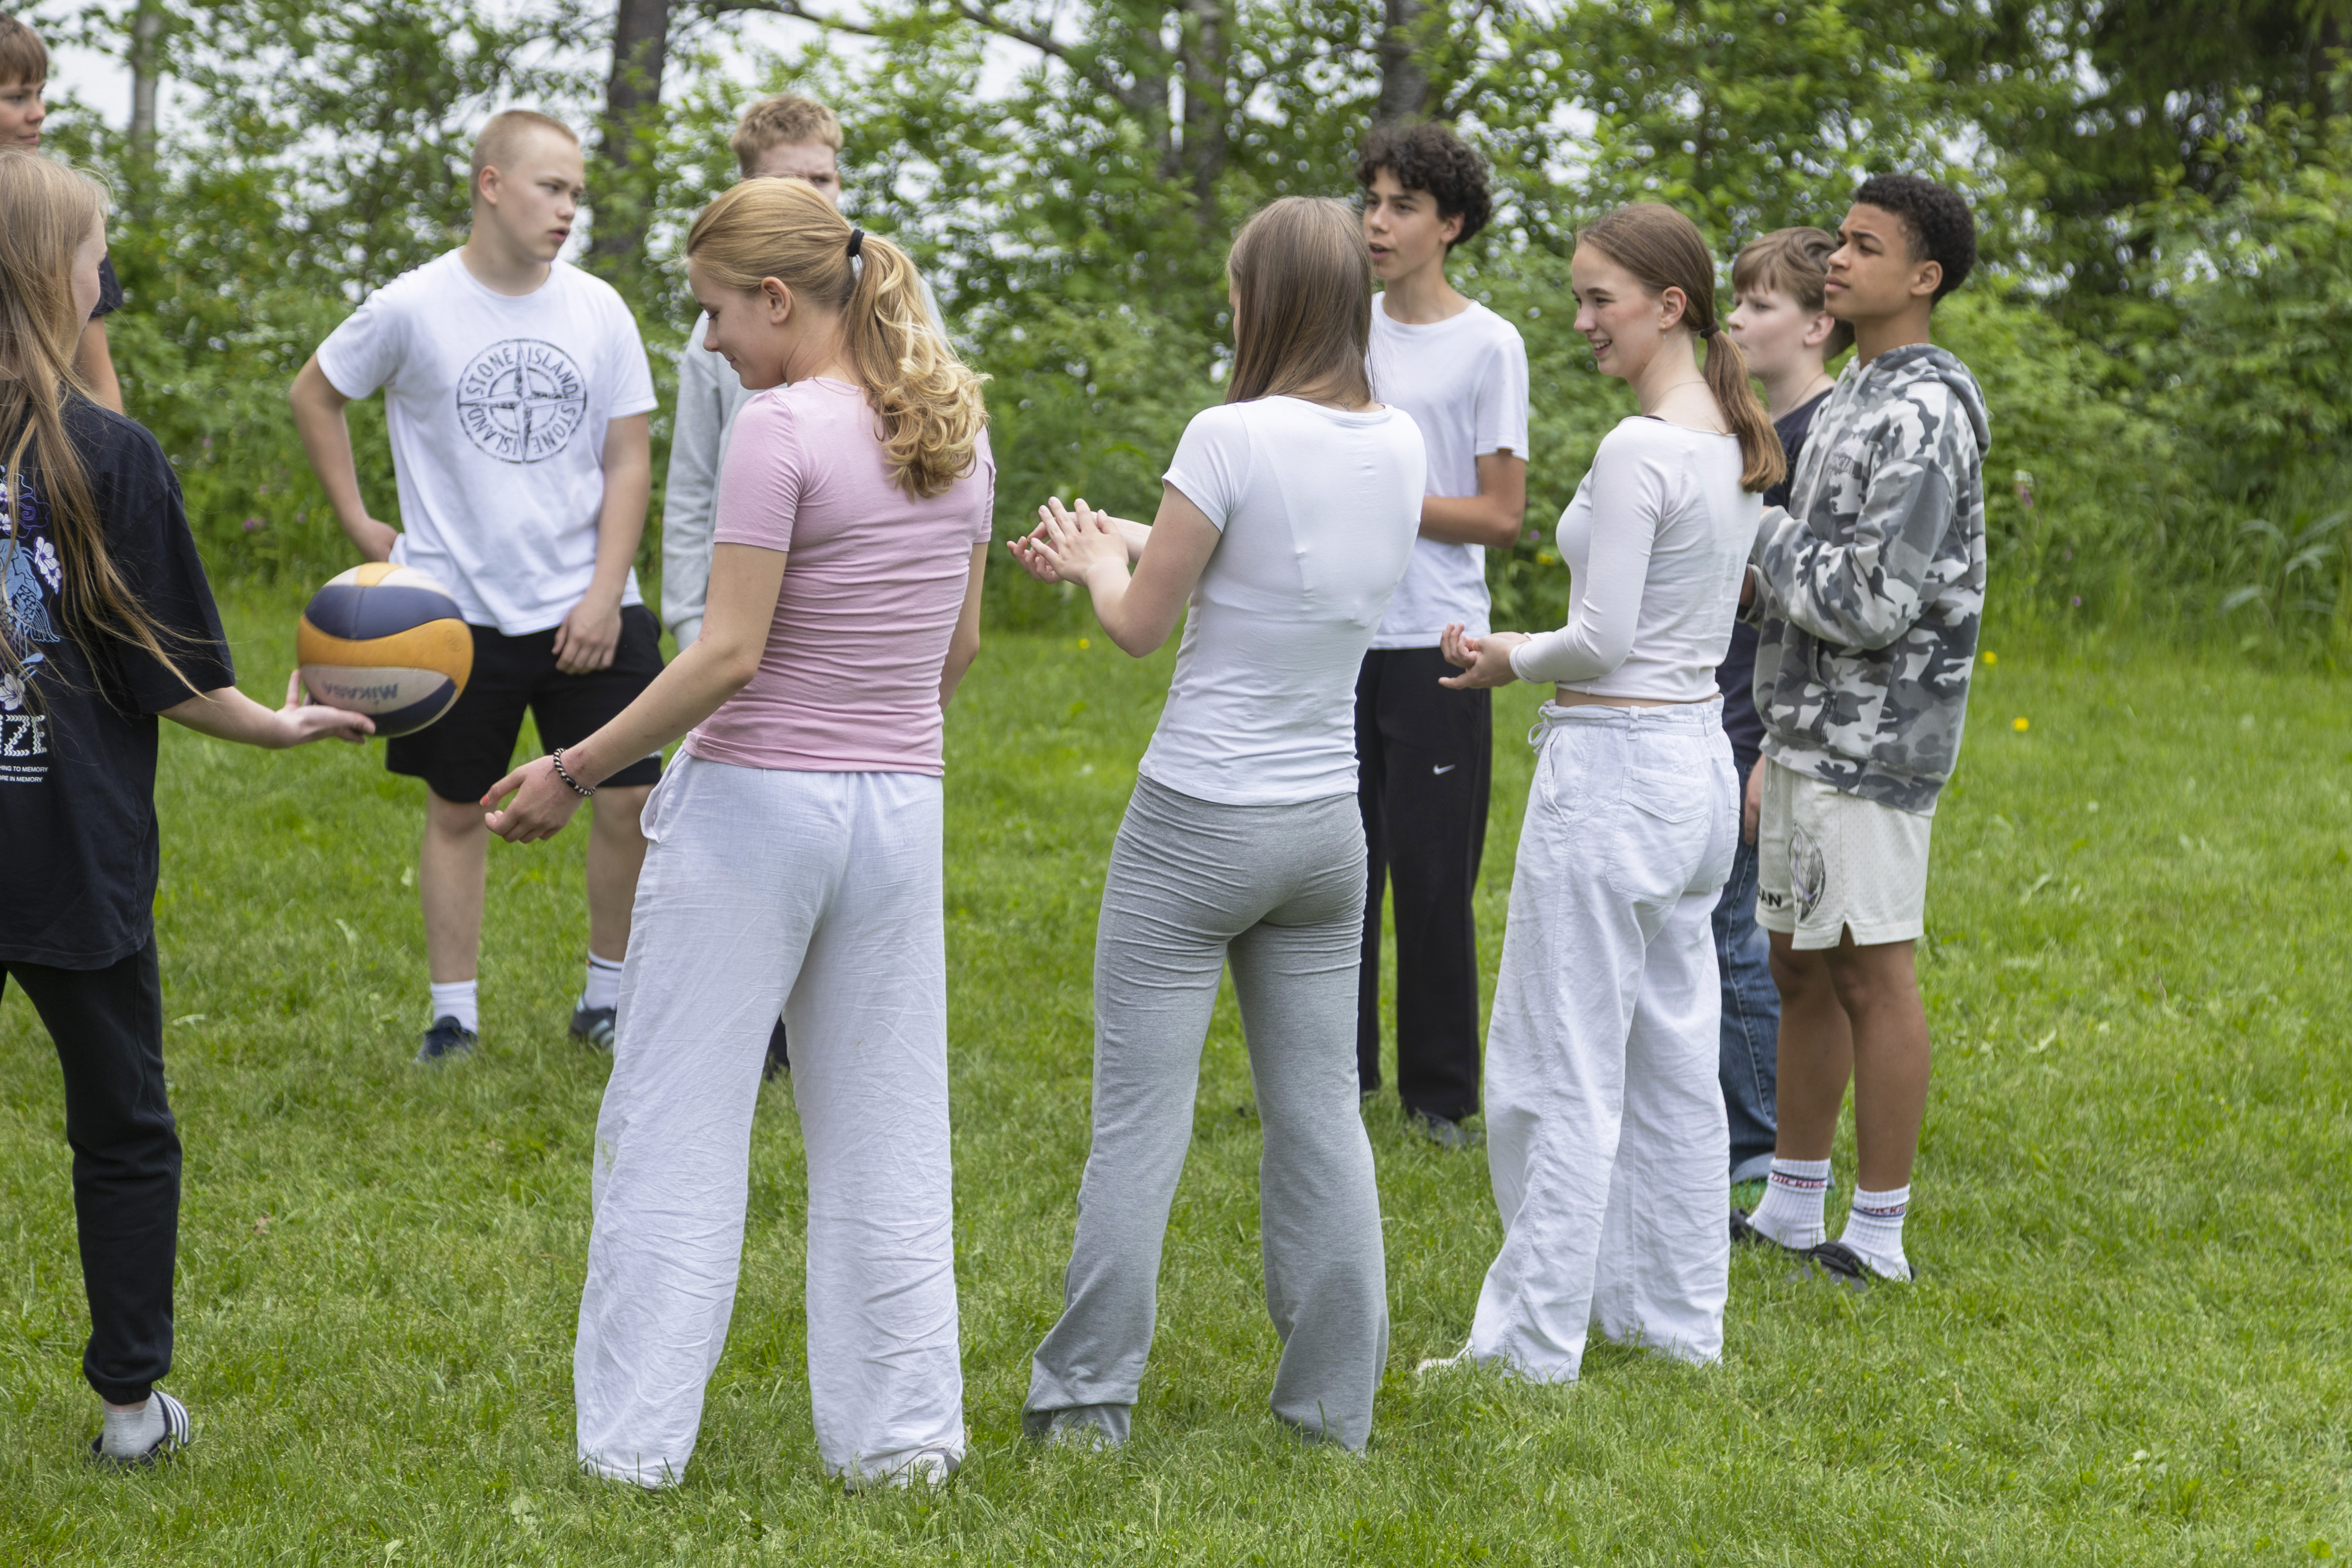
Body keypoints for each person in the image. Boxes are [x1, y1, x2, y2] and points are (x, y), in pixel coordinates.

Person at [483, 176, 992, 1489]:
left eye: (715, 312)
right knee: (887, 1128)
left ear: (777, 297)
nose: (707, 342)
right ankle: (904, 1445)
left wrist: (577, 767)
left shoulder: (780, 429)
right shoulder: (956, 428)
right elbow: (960, 651)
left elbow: (727, 651)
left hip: (757, 810)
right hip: (900, 811)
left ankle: (634, 1447)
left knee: (675, 1122)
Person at [1009, 197, 1424, 1453]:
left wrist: (1091, 567)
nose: (1228, 309)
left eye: (1238, 288)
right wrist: (1113, 539)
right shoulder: (1399, 441)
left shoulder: (1225, 431)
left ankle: (1085, 1401)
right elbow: (1246, 567)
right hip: (1322, 830)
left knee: (1139, 1117)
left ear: (1267, 300)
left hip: (1194, 824)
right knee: (1321, 1120)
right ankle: (1329, 1408)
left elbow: (1141, 624)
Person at [0, 152, 373, 1467]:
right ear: (59, 270)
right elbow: (172, 678)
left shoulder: (103, 447)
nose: (110, 267)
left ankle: (130, 1401)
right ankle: (127, 1413)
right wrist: (274, 723)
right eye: (100, 244)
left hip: (66, 849)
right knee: (122, 1125)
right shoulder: (109, 451)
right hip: (69, 849)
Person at [1428, 202, 1779, 1383]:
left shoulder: (1645, 449)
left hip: (1622, 768)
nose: (1580, 321)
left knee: (1554, 1063)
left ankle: (1529, 1345)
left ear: (1669, 305)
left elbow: (1601, 636)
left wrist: (1502, 654)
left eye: (1598, 300)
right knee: (1672, 1059)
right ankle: (1677, 1320)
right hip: (1692, 772)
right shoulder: (1734, 436)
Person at [288, 110, 661, 1063]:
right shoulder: (414, 306)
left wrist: (601, 592)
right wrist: (361, 524)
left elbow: (628, 461)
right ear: (490, 184)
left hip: (590, 605)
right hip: (450, 614)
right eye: (552, 188)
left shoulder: (598, 308)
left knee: (629, 800)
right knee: (461, 809)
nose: (568, 208)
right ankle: (453, 1016)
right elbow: (315, 393)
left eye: (576, 192)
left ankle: (607, 1001)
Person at [1731, 176, 1989, 1287]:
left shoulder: (1927, 412)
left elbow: (1872, 600)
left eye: (1865, 246)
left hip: (1877, 739)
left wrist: (1749, 535)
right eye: (1839, 239)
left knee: (1871, 972)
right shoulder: (1848, 398)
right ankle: (1792, 1202)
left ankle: (1877, 1230)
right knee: (1795, 963)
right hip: (1800, 725)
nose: (1837, 258)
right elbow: (1799, 573)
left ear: (1922, 279)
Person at [662, 91, 943, 1083]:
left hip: (849, 709)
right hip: (779, 683)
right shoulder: (729, 345)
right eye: (791, 183)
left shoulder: (902, 333)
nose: (816, 196)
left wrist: (575, 770)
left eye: (825, 178)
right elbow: (694, 490)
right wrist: (692, 625)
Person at [1352, 121, 1529, 1149]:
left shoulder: (1487, 343)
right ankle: (1335, 1080)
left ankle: (1440, 1097)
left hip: (1438, 642)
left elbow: (1500, 514)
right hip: (1337, 636)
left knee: (1428, 877)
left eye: (1402, 205)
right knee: (1337, 873)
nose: (1378, 222)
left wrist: (1380, 495)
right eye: (1370, 201)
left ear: (1449, 224)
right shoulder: (1343, 323)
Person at [1713, 228, 1851, 1187]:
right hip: (1717, 710)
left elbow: (1814, 622)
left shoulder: (1826, 445)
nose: (1735, 320)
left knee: (1746, 939)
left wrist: (1767, 746)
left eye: (1758, 306)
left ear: (1817, 324)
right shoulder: (1758, 439)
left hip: (1764, 730)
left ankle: (1762, 1150)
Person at [0, 16, 127, 412]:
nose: (39, 112)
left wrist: (116, 468)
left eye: (40, 93)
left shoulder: (61, 219)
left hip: (35, 462)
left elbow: (98, 383)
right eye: (17, 97)